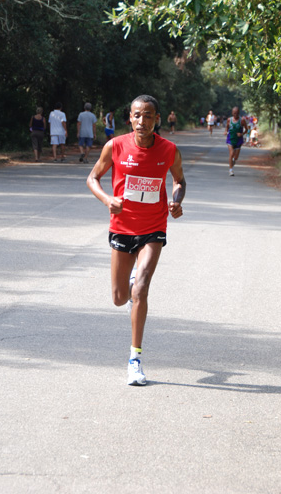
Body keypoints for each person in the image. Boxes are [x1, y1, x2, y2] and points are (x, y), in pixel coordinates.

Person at [87, 95, 186, 386]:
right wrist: (108, 199)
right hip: (122, 227)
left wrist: (176, 201)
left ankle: (135, 360)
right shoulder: (115, 146)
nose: (142, 121)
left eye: (148, 116)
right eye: (137, 116)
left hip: (154, 227)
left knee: (141, 288)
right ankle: (130, 291)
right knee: (120, 298)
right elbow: (93, 177)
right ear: (129, 118)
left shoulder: (169, 150)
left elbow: (179, 181)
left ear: (158, 119)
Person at [225, 106, 248, 176]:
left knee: (236, 157)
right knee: (231, 154)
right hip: (230, 139)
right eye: (234, 113)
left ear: (239, 113)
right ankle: (231, 170)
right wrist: (226, 131)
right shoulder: (229, 120)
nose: (235, 115)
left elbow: (246, 129)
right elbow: (227, 127)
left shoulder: (242, 120)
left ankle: (233, 162)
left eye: (237, 113)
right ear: (232, 113)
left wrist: (242, 134)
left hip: (238, 140)